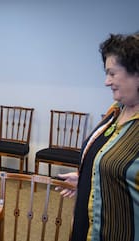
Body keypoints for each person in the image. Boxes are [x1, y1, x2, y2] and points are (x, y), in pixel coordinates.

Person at [57, 33, 139, 241]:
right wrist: (90, 178)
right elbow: (111, 160)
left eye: (112, 73)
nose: (106, 81)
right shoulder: (116, 110)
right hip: (87, 229)